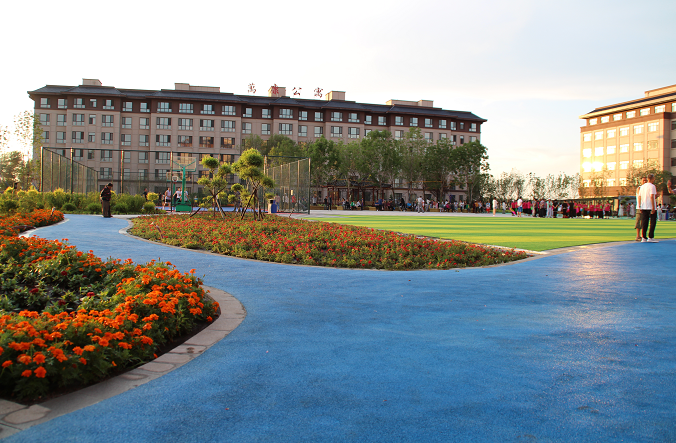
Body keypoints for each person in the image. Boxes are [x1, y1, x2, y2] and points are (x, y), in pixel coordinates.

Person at [637, 174, 658, 242]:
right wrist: (653, 207)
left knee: (645, 222)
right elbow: (652, 196)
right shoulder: (652, 186)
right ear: (652, 178)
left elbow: (639, 197)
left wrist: (640, 206)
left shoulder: (642, 187)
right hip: (650, 206)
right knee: (653, 222)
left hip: (644, 206)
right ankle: (650, 237)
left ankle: (644, 237)